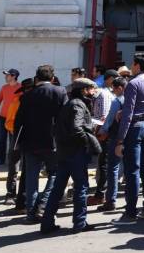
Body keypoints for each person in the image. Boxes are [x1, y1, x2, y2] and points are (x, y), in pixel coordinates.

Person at [40, 78, 103, 234]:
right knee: (81, 188)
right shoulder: (77, 104)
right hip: (75, 153)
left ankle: (47, 223)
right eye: (91, 89)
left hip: (65, 153)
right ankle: (80, 223)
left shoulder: (70, 103)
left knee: (58, 189)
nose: (93, 92)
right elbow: (77, 129)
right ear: (83, 90)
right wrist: (88, 142)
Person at [16, 65, 67, 221]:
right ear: (52, 78)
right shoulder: (60, 92)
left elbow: (19, 122)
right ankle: (43, 204)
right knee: (56, 173)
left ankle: (31, 212)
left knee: (31, 177)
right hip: (52, 141)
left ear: (36, 78)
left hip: (30, 141)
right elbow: (65, 117)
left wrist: (17, 143)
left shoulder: (27, 96)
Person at [113, 52, 144, 225]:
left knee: (132, 171)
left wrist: (120, 139)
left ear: (138, 65)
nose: (131, 67)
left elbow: (129, 112)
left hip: (136, 127)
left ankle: (130, 213)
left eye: (133, 64)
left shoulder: (133, 83)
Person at [96, 76, 126, 212]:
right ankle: (130, 200)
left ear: (119, 88)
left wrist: (102, 131)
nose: (113, 91)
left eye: (114, 89)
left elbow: (108, 120)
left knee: (112, 168)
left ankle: (110, 201)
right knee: (131, 169)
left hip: (116, 136)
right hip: (131, 136)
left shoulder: (117, 101)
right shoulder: (133, 99)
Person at [89, 69, 117, 206]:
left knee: (104, 165)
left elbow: (102, 117)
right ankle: (103, 193)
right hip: (106, 132)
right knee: (105, 164)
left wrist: (101, 132)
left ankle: (101, 194)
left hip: (105, 133)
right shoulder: (106, 93)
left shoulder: (106, 94)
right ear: (109, 79)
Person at [4, 77, 33, 208]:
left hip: (29, 137)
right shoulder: (17, 101)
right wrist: (14, 132)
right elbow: (9, 121)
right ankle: (11, 193)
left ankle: (23, 194)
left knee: (27, 166)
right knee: (14, 165)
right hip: (17, 136)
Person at [0, 68, 20, 166]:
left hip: (13, 119)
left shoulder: (20, 87)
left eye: (7, 75)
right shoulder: (4, 87)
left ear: (13, 76)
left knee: (13, 141)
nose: (5, 77)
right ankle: (1, 160)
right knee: (2, 139)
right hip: (2, 118)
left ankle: (13, 161)